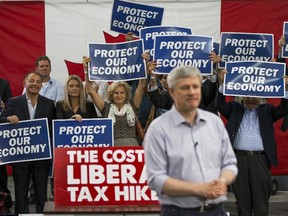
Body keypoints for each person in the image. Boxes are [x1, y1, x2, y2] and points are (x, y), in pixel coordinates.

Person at [143, 65, 238, 216]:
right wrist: (199, 189)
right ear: (172, 92)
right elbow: (156, 179)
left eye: (196, 86)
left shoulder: (215, 123)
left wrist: (222, 181)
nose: (192, 92)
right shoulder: (158, 129)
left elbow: (230, 164)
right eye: (185, 87)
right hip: (178, 211)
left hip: (216, 210)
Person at [215, 70, 288, 216]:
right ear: (242, 95)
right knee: (243, 201)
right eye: (248, 95)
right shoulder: (234, 108)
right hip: (238, 160)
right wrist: (222, 84)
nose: (251, 98)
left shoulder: (267, 110)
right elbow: (218, 104)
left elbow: (284, 109)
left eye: (254, 95)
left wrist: (285, 88)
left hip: (260, 160)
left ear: (259, 96)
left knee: (261, 202)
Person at [0, 71, 55, 214]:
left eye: (38, 82)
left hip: (41, 157)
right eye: (32, 81)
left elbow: (54, 127)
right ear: (25, 83)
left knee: (41, 193)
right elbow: (1, 119)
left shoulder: (49, 104)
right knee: (21, 192)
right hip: (20, 157)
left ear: (41, 85)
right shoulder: (14, 102)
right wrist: (7, 119)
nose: (35, 84)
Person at [23, 55, 64, 203]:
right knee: (34, 162)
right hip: (33, 130)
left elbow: (57, 104)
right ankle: (34, 194)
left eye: (47, 66)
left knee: (53, 163)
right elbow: (24, 105)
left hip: (50, 128)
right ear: (36, 68)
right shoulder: (28, 85)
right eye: (41, 66)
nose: (44, 68)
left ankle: (54, 192)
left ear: (50, 68)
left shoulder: (59, 85)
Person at [84, 57, 147, 146]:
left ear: (126, 95)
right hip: (113, 149)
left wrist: (143, 63)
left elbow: (141, 86)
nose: (119, 95)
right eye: (116, 93)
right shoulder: (105, 107)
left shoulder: (133, 106)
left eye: (122, 93)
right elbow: (90, 90)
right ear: (111, 95)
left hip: (132, 148)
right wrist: (86, 70)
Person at [147, 51, 219, 115]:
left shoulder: (201, 92)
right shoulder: (171, 96)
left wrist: (210, 68)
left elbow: (211, 92)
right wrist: (153, 77)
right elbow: (157, 100)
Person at [0, 78, 13, 209]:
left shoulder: (4, 83)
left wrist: (4, 107)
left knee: (1, 165)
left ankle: (4, 199)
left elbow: (10, 105)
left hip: (0, 126)